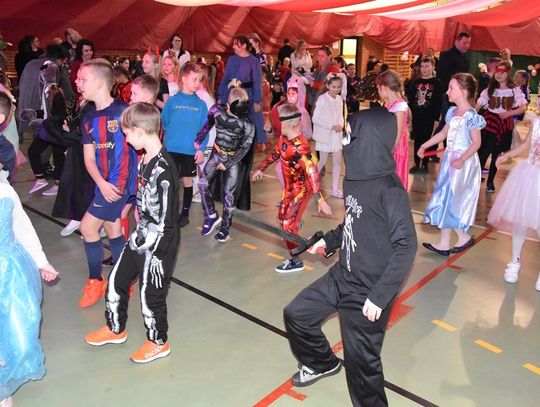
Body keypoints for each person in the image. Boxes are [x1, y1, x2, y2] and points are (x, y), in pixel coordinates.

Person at [283, 102, 417, 406]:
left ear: (368, 140)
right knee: (297, 314)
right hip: (342, 274)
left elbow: (407, 245)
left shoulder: (390, 190)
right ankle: (321, 362)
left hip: (369, 290)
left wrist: (380, 296)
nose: (346, 141)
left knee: (362, 368)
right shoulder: (355, 179)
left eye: (350, 135)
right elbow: (353, 223)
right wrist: (329, 241)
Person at [84, 102, 179, 363]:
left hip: (160, 242)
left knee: (151, 294)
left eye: (127, 134)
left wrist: (157, 255)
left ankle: (158, 342)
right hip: (142, 234)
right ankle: (115, 329)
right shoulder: (143, 158)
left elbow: (167, 220)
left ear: (140, 131)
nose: (125, 139)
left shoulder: (164, 170)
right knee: (116, 280)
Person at [78, 59, 138, 308]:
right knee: (113, 230)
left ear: (100, 83)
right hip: (104, 185)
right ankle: (124, 280)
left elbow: (137, 151)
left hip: (118, 185)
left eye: (83, 79)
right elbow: (89, 158)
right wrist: (101, 183)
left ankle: (96, 280)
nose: (78, 83)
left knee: (87, 229)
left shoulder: (125, 113)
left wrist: (131, 191)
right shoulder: (88, 118)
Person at [0, 168, 59, 407]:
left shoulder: (4, 191)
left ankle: (3, 383)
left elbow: (22, 228)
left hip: (10, 272)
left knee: (19, 330)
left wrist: (41, 261)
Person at [252, 103, 332, 273]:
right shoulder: (284, 138)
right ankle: (294, 225)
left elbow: (312, 170)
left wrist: (319, 198)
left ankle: (296, 261)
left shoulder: (299, 147)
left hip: (301, 189)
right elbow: (276, 153)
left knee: (286, 223)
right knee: (281, 219)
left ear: (285, 123)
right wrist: (260, 168)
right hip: (289, 188)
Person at [418, 73, 485, 256]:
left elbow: (476, 143)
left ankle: (463, 237)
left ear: (463, 91)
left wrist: (462, 159)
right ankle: (444, 243)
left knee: (451, 200)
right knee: (445, 198)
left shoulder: (471, 116)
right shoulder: (451, 111)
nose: (447, 92)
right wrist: (424, 145)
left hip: (463, 164)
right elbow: (442, 134)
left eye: (451, 88)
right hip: (450, 160)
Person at [487, 98, 540, 290]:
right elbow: (526, 146)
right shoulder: (537, 122)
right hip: (529, 175)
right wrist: (507, 155)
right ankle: (515, 261)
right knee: (520, 221)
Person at [195, 85, 255, 242]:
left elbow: (245, 148)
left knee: (229, 196)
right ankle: (211, 215)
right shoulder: (216, 111)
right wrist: (199, 139)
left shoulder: (247, 124)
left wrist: (228, 163)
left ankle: (225, 228)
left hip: (233, 160)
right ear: (228, 105)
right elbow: (207, 125)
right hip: (217, 154)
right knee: (202, 183)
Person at [162, 62, 208, 228]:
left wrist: (201, 150)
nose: (198, 83)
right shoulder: (173, 101)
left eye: (200, 80)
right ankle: (170, 213)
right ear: (183, 79)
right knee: (171, 181)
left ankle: (185, 213)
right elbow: (165, 121)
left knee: (187, 180)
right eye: (194, 79)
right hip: (172, 148)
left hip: (190, 150)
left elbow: (204, 129)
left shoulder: (201, 105)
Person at [476, 61, 527, 192]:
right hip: (490, 122)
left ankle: (490, 181)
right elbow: (479, 104)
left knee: (497, 154)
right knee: (484, 151)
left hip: (504, 124)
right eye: (497, 72)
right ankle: (475, 178)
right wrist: (471, 116)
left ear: (507, 73)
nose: (499, 75)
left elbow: (523, 108)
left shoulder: (514, 90)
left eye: (502, 72)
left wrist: (509, 113)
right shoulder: (490, 89)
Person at [218, 35, 266, 148]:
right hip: (231, 94)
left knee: (251, 120)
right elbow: (225, 78)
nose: (233, 46)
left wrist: (257, 100)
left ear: (244, 45)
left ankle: (250, 145)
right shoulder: (231, 59)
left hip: (248, 95)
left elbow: (257, 81)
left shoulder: (254, 61)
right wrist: (220, 95)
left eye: (236, 44)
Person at [406, 57, 443, 174]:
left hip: (429, 117)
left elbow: (438, 101)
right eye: (422, 66)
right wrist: (410, 114)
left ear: (433, 67)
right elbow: (411, 99)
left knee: (427, 139)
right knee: (417, 139)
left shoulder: (436, 83)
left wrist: (436, 118)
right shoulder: (416, 82)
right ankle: (417, 163)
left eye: (427, 66)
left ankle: (425, 163)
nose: (424, 69)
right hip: (417, 116)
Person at [312, 74, 345, 198]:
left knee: (337, 162)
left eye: (338, 87)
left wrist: (340, 125)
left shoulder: (340, 99)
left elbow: (341, 115)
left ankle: (335, 188)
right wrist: (331, 126)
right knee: (322, 161)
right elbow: (315, 118)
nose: (336, 89)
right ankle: (310, 183)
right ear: (327, 86)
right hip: (325, 135)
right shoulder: (322, 99)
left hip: (336, 135)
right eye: (333, 87)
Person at [376, 70, 410, 190]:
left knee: (394, 177)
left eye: (378, 88)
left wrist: (388, 153)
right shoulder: (387, 104)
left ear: (384, 88)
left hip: (396, 148)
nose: (378, 91)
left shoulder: (400, 106)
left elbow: (397, 134)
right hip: (387, 145)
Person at [433, 32, 471, 138]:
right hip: (448, 95)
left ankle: (448, 145)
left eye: (468, 43)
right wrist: (456, 82)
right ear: (456, 42)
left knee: (454, 122)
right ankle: (432, 145)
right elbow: (441, 74)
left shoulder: (465, 58)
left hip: (460, 95)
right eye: (464, 43)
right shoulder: (446, 55)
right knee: (446, 121)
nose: (467, 46)